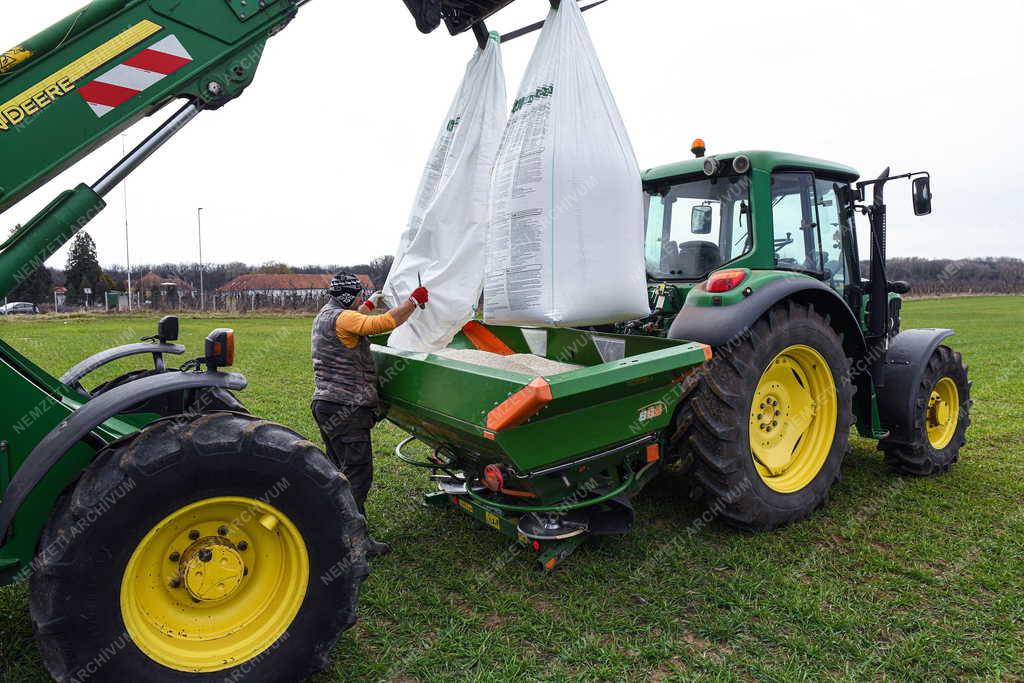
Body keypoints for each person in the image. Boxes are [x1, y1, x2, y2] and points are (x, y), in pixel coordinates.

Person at [311, 272, 428, 557]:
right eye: (359, 295)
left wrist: (371, 304)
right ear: (347, 296)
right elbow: (383, 324)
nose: (361, 299)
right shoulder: (344, 318)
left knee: (341, 474)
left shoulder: (326, 315)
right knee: (358, 476)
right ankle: (353, 542)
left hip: (327, 405)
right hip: (346, 407)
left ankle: (333, 529)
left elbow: (357, 322)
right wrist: (413, 301)